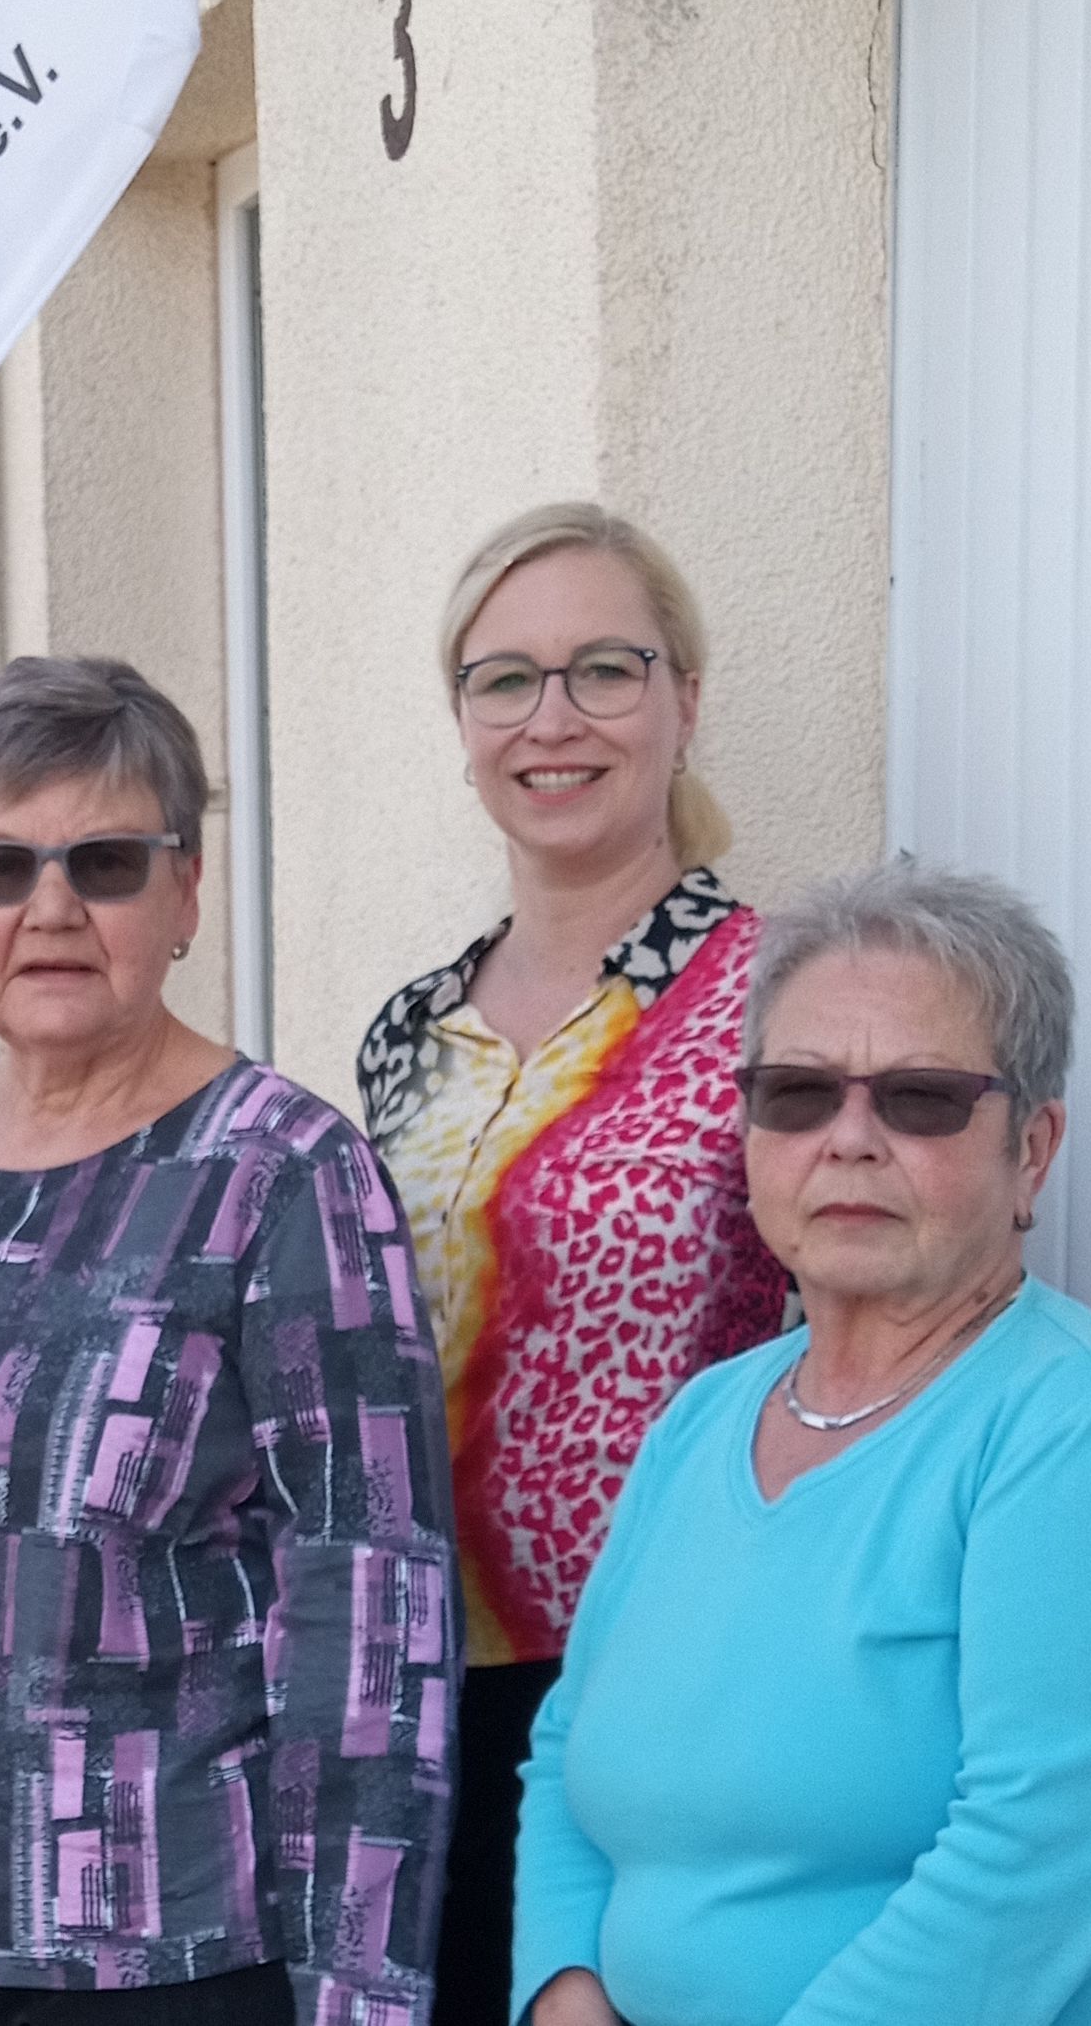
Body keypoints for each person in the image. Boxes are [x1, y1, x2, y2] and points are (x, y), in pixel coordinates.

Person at [0, 656, 457, 2026]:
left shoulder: (285, 1174)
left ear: (183, 893)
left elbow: (371, 1616)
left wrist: (362, 1990)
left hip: (176, 1961)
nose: (49, 906)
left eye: (105, 861)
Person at [512, 859, 1091, 2025]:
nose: (849, 1139)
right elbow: (567, 1753)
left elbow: (1030, 1868)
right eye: (799, 1093)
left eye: (920, 1097)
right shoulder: (709, 1415)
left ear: (1031, 1149)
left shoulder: (1083, 1430)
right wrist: (566, 1991)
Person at [351, 504, 789, 2026]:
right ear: (462, 722)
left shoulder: (776, 1000)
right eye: (503, 679)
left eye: (605, 669)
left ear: (684, 699)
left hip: (665, 1681)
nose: (553, 719)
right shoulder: (406, 1031)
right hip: (412, 1694)